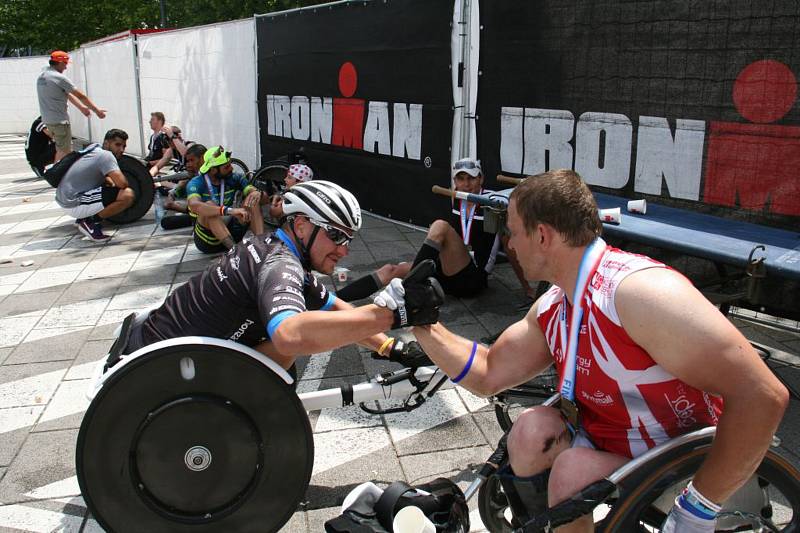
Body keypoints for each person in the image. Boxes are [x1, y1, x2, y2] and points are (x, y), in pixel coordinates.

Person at [379, 169, 789, 533]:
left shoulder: (640, 294)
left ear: (542, 235)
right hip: (620, 448)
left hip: (693, 463)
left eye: (514, 230)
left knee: (572, 472)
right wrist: (423, 323)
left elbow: (763, 396)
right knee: (529, 432)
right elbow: (489, 373)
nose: (509, 242)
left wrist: (699, 508)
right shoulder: (558, 302)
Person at [122, 180, 442, 374]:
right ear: (301, 224)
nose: (344, 251)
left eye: (349, 240)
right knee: (290, 345)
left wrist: (392, 347)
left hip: (153, 345)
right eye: (335, 236)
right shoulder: (280, 264)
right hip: (160, 370)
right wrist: (386, 315)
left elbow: (331, 307)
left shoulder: (273, 246)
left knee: (310, 322)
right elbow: (289, 336)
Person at [335, 157, 531, 303]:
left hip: (473, 279)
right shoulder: (458, 199)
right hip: (451, 270)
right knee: (391, 270)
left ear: (481, 178)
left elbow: (509, 246)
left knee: (440, 226)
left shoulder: (494, 204)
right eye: (460, 179)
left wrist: (527, 288)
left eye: (471, 178)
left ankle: (411, 286)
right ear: (455, 181)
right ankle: (332, 300)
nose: (466, 184)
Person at [55, 129, 136, 242]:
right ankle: (90, 222)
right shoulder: (106, 156)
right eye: (117, 145)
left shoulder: (94, 148)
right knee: (127, 194)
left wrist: (110, 181)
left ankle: (84, 217)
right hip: (72, 202)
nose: (121, 150)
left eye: (124, 146)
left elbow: (106, 179)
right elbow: (122, 184)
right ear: (107, 143)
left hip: (65, 198)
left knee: (110, 186)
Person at [186, 145, 264, 253]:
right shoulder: (196, 182)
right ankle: (235, 252)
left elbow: (256, 194)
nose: (231, 168)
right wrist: (230, 210)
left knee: (252, 200)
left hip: (231, 230)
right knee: (210, 206)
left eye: (230, 165)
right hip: (207, 240)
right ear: (213, 170)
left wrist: (256, 192)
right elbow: (194, 205)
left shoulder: (234, 177)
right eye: (226, 167)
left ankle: (262, 245)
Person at [36, 50, 106, 162]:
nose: (66, 67)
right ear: (60, 62)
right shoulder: (59, 78)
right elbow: (81, 96)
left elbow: (65, 94)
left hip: (48, 120)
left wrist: (82, 108)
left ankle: (56, 174)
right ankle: (57, 176)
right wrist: (97, 111)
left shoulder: (42, 77)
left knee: (60, 148)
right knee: (65, 152)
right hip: (60, 121)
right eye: (65, 64)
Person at [144, 112, 172, 177]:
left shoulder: (163, 137)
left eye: (152, 119)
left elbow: (166, 159)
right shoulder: (152, 137)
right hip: (149, 165)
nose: (149, 122)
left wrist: (150, 163)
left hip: (158, 169)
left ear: (160, 121)